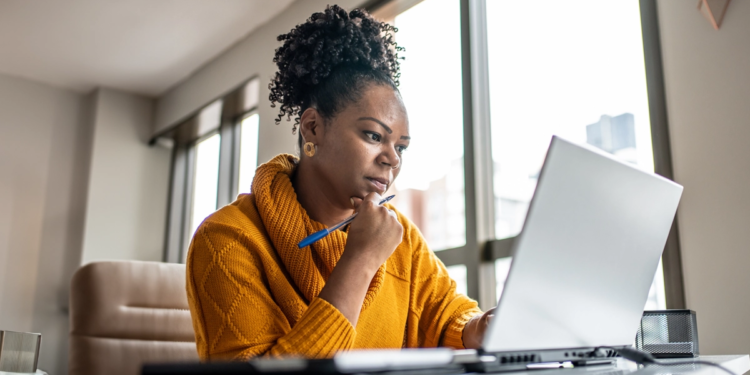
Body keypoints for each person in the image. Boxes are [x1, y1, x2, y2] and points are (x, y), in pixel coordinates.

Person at [186, 4, 493, 361]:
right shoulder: (227, 239)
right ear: (313, 127)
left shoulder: (401, 237)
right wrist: (361, 260)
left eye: (401, 147)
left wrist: (478, 327)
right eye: (373, 135)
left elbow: (447, 316)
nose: (392, 158)